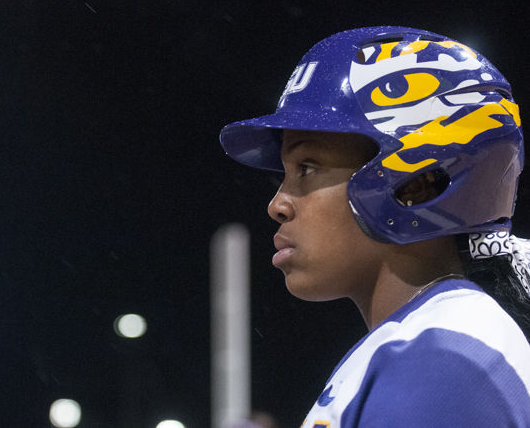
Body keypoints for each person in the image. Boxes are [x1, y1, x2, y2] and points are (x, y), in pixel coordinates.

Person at [219, 26, 530, 427]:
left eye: (306, 168)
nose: (277, 205)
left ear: (417, 182)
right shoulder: (439, 344)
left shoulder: (438, 365)